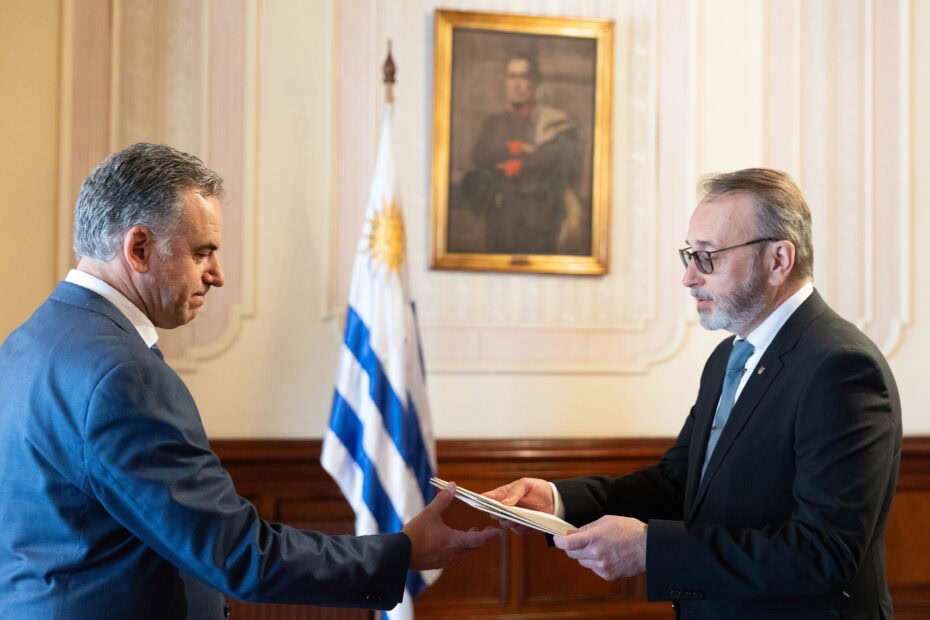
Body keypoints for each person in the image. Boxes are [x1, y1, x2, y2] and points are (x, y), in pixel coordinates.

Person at [0, 143, 498, 619]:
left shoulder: (26, 344)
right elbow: (241, 555)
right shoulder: (123, 376)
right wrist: (401, 552)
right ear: (139, 247)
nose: (217, 275)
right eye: (202, 252)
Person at [486, 168, 902, 618]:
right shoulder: (728, 357)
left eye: (707, 257)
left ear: (779, 259)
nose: (688, 277)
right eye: (690, 254)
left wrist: (653, 550)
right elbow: (679, 484)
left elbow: (824, 552)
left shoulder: (839, 366)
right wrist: (559, 501)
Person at [459, 52, 586, 255]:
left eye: (524, 77)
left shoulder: (550, 121)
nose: (517, 84)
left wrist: (512, 167)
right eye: (512, 76)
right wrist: (514, 148)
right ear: (505, 81)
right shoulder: (493, 123)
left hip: (538, 213)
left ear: (535, 82)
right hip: (500, 215)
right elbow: (481, 155)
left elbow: (553, 158)